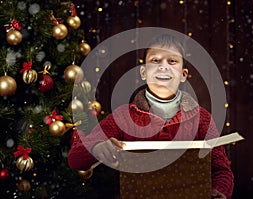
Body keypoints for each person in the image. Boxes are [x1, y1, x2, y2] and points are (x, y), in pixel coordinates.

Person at [68, 34, 234, 199]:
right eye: (155, 60)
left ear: (183, 74)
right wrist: (96, 147)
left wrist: (218, 192)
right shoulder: (123, 117)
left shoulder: (202, 118)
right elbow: (75, 159)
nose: (163, 67)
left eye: (172, 61)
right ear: (143, 72)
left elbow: (221, 170)